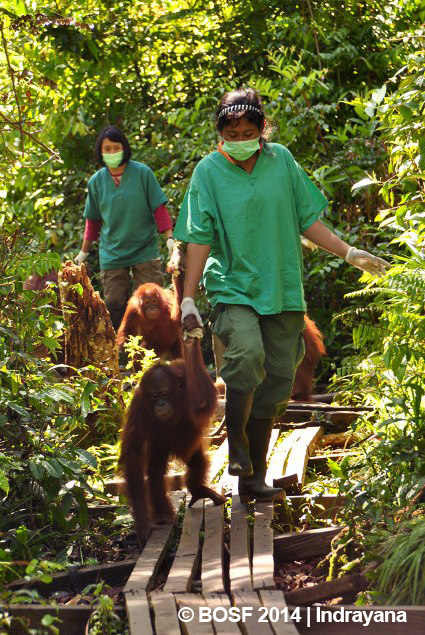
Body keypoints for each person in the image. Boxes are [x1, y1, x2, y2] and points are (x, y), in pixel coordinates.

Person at [173, 87, 390, 502]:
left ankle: (253, 479)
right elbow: (199, 237)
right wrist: (187, 298)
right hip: (233, 287)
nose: (240, 139)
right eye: (231, 132)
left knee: (276, 383)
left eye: (248, 130)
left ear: (262, 129)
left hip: (282, 287)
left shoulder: (281, 162)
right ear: (220, 132)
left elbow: (306, 219)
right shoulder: (208, 172)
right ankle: (237, 448)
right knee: (246, 357)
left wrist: (348, 252)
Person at [75, 125, 174, 330]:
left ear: (124, 148)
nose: (112, 152)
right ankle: (121, 350)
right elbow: (93, 221)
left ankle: (153, 349)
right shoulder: (97, 182)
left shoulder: (142, 173)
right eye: (107, 149)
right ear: (100, 152)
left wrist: (169, 238)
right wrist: (83, 252)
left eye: (116, 147)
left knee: (152, 301)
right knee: (114, 303)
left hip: (144, 249)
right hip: (113, 252)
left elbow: (158, 208)